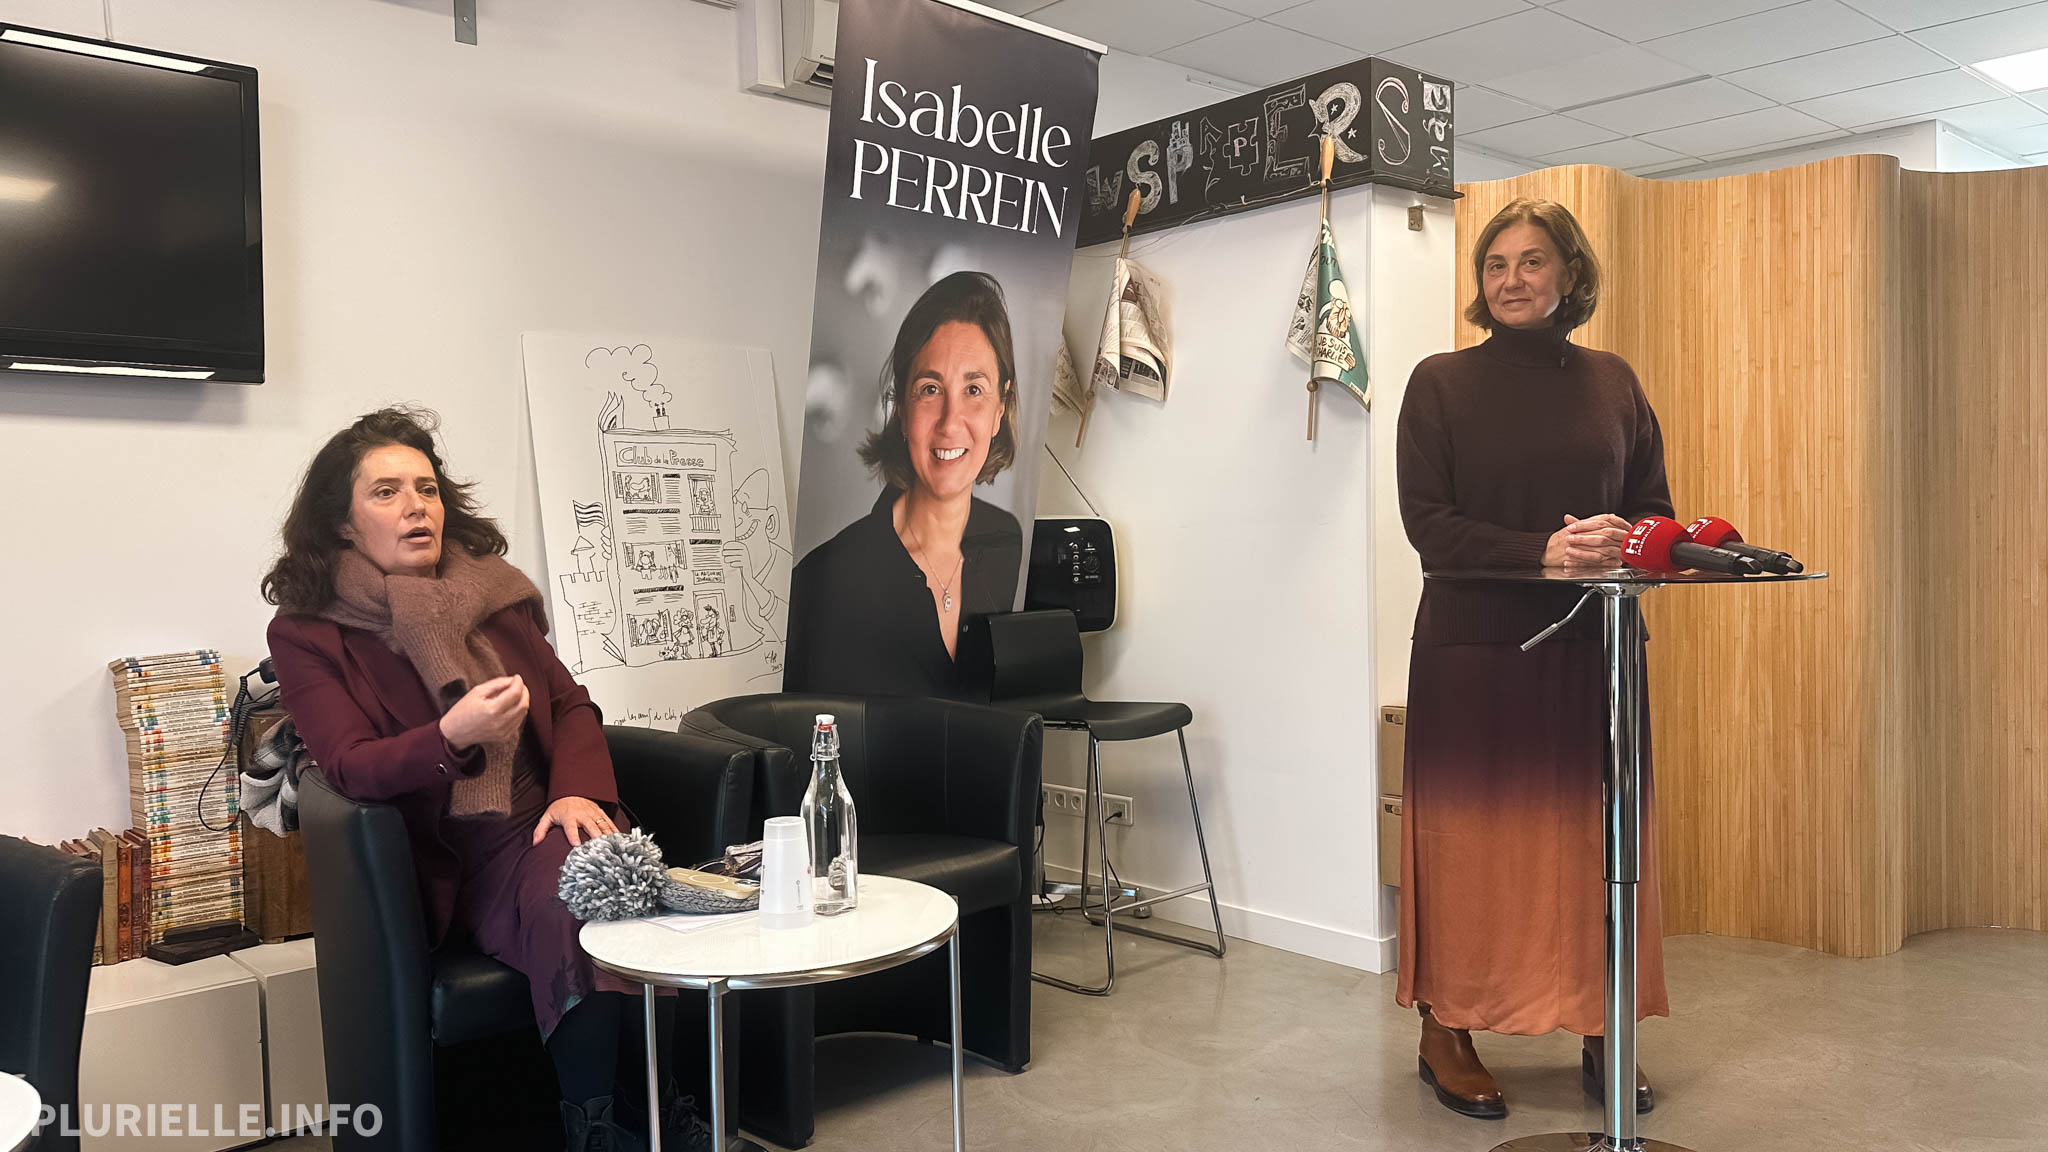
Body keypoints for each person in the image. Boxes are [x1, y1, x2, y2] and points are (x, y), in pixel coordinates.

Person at [261, 408, 716, 1152]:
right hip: (450, 854)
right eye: (386, 492)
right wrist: (448, 739)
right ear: (342, 524)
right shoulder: (308, 631)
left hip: (549, 816)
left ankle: (644, 1109)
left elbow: (569, 703)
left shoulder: (493, 594)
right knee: (585, 889)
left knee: (607, 878)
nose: (416, 506)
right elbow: (347, 766)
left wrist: (578, 791)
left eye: (427, 489)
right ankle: (604, 1126)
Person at [1394, 199, 1674, 1120]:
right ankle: (1448, 1029)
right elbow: (1428, 526)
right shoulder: (1439, 383)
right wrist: (1542, 552)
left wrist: (1626, 538)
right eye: (1496, 264)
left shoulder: (1613, 382)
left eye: (1532, 261)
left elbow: (1655, 510)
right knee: (1470, 846)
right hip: (1476, 653)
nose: (1512, 279)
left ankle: (1605, 1023)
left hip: (1595, 654)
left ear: (1569, 275)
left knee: (1596, 843)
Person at [785, 270, 1024, 697]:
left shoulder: (1009, 543)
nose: (951, 423)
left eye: (974, 389)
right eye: (930, 389)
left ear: (1000, 408)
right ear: (900, 408)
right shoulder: (823, 584)